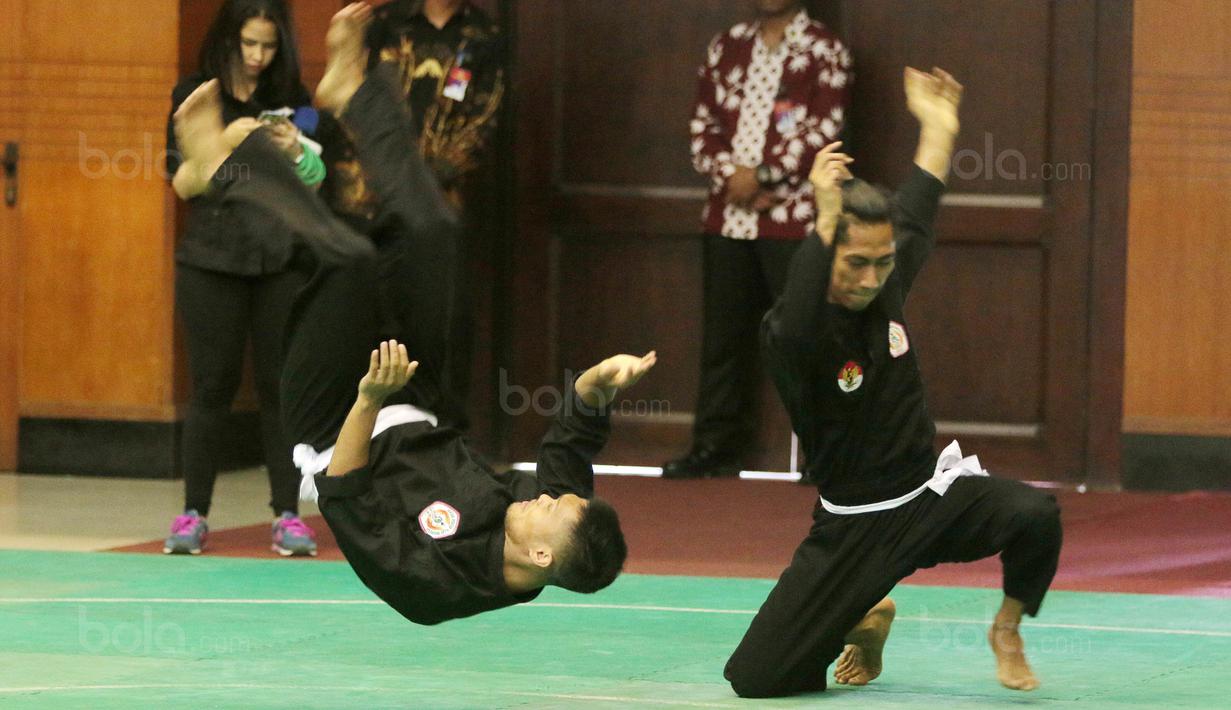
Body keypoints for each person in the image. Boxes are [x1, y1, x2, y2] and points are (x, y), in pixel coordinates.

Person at [171, 2, 655, 624]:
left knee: (347, 259)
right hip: (418, 394)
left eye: (550, 508)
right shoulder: (555, 525)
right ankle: (355, 93)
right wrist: (596, 388)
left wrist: (369, 399)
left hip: (334, 421)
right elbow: (569, 449)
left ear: (539, 555)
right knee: (434, 233)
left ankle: (226, 167)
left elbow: (343, 496)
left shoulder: (431, 584)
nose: (547, 497)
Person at [722, 67, 1063, 698]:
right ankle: (867, 615)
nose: (873, 278)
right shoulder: (793, 334)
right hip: (850, 526)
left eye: (882, 264)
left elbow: (917, 208)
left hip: (929, 499)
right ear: (825, 254)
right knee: (757, 680)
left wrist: (938, 127)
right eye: (856, 263)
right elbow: (799, 312)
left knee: (1035, 514)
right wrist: (824, 217)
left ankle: (1007, 630)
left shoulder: (884, 288)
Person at [163, 0, 325, 557]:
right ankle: (193, 514)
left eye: (269, 45)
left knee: (280, 388)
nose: (258, 56)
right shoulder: (196, 94)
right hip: (211, 259)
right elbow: (184, 183)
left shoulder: (294, 98)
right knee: (212, 386)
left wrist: (295, 150)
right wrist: (224, 139)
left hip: (280, 259)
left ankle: (288, 516)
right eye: (249, 43)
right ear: (228, 39)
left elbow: (315, 177)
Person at [665, 0, 851, 479]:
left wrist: (764, 176)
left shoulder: (825, 49)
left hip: (794, 220)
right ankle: (715, 447)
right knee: (722, 340)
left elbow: (823, 132)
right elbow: (702, 127)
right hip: (726, 218)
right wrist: (734, 178)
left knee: (803, 335)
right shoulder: (726, 46)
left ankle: (823, 455)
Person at [321, 0, 506, 430]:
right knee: (371, 320)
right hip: (366, 200)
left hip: (440, 194)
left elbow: (485, 119)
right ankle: (364, 433)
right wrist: (388, 173)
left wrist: (416, 179)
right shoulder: (385, 22)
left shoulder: (485, 35)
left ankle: (438, 434)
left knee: (438, 318)